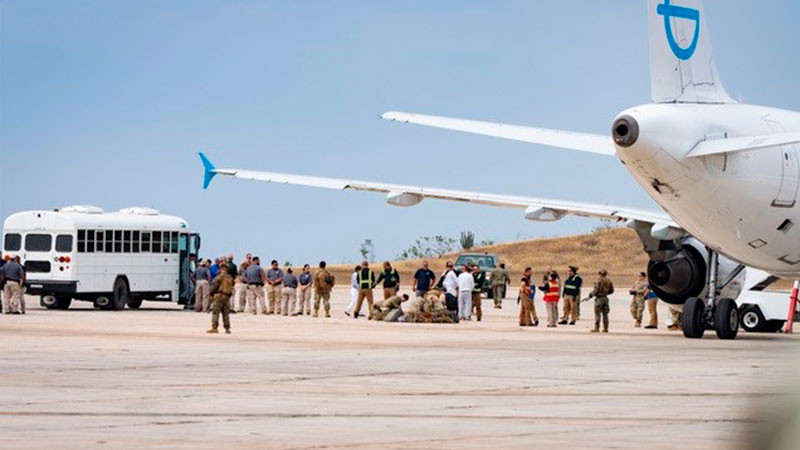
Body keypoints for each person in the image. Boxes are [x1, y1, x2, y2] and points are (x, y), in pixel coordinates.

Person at [207, 262, 234, 334]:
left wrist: (211, 293)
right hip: (226, 296)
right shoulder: (230, 277)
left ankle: (214, 327)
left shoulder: (219, 276)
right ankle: (227, 328)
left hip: (219, 296)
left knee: (215, 312)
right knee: (225, 313)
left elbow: (214, 286)